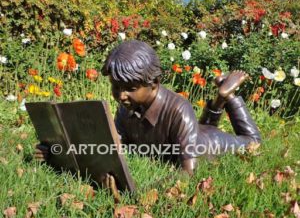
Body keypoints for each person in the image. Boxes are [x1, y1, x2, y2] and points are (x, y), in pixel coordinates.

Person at [35, 40, 261, 177]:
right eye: (116, 86)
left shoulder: (178, 109)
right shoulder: (127, 107)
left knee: (252, 142)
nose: (121, 95)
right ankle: (220, 100)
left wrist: (147, 191)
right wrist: (58, 151)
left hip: (212, 143)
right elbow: (111, 147)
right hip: (197, 132)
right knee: (202, 129)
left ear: (154, 84)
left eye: (130, 88)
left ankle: (226, 95)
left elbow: (190, 171)